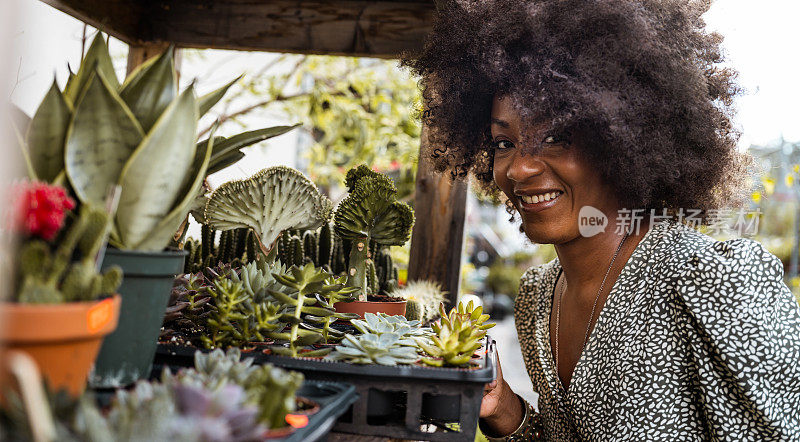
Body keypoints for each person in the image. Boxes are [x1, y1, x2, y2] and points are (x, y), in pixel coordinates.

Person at [400, 0, 800, 440]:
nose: (518, 169)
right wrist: (506, 411)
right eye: (503, 143)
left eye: (555, 137)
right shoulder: (538, 299)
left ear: (624, 142)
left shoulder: (713, 283)